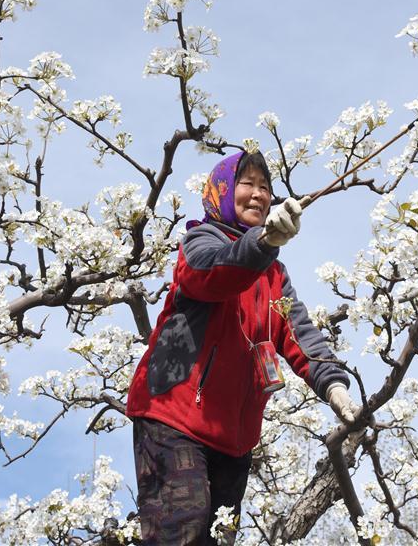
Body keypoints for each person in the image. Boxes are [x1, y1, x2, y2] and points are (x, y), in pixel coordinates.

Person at [125, 151, 357, 545]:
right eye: (246, 184)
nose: (258, 195)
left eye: (265, 187)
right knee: (185, 529)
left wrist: (334, 386)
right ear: (223, 191)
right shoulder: (200, 241)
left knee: (216, 540)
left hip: (234, 440)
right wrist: (262, 242)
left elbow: (298, 331)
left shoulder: (275, 276)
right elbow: (212, 274)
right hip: (173, 420)